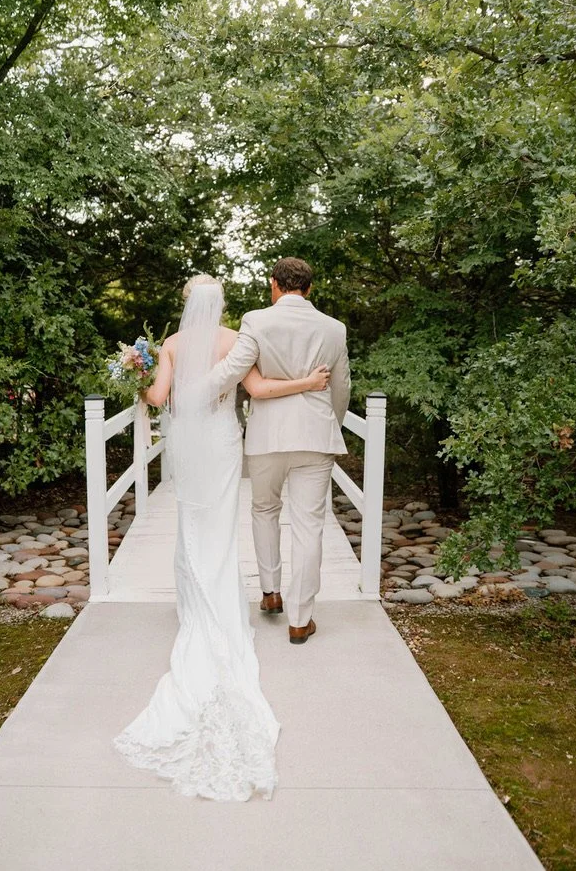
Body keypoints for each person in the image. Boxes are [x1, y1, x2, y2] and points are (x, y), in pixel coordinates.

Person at [112, 273, 331, 802]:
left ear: (185, 303)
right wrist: (309, 384)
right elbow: (254, 390)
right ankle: (221, 605)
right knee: (220, 523)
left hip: (190, 439)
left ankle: (196, 607)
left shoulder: (170, 344)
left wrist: (134, 375)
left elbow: (161, 396)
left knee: (191, 522)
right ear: (223, 303)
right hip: (224, 438)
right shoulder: (237, 339)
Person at [204, 257, 351, 644]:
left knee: (265, 509)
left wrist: (195, 388)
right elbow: (342, 388)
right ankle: (301, 619)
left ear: (274, 284)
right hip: (315, 437)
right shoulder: (335, 329)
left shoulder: (256, 320)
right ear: (309, 288)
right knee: (309, 526)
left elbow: (235, 368)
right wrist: (328, 422)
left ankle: (271, 593)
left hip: (268, 435)